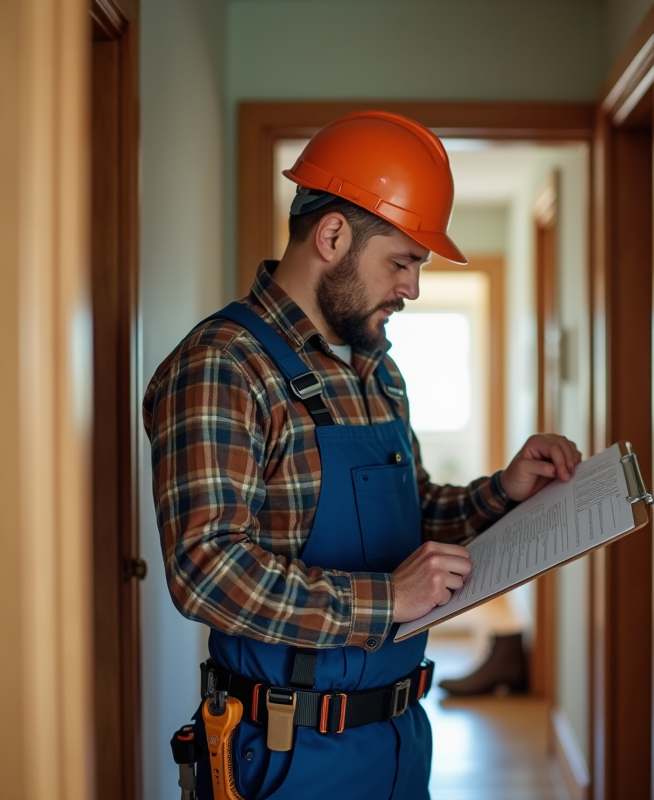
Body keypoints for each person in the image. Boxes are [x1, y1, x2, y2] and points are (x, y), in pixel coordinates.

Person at [143, 110, 582, 800]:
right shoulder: (223, 365)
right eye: (402, 262)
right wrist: (387, 599)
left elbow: (413, 516)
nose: (412, 288)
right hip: (286, 756)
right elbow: (206, 571)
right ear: (333, 236)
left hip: (401, 741)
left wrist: (505, 490)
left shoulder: (377, 369)